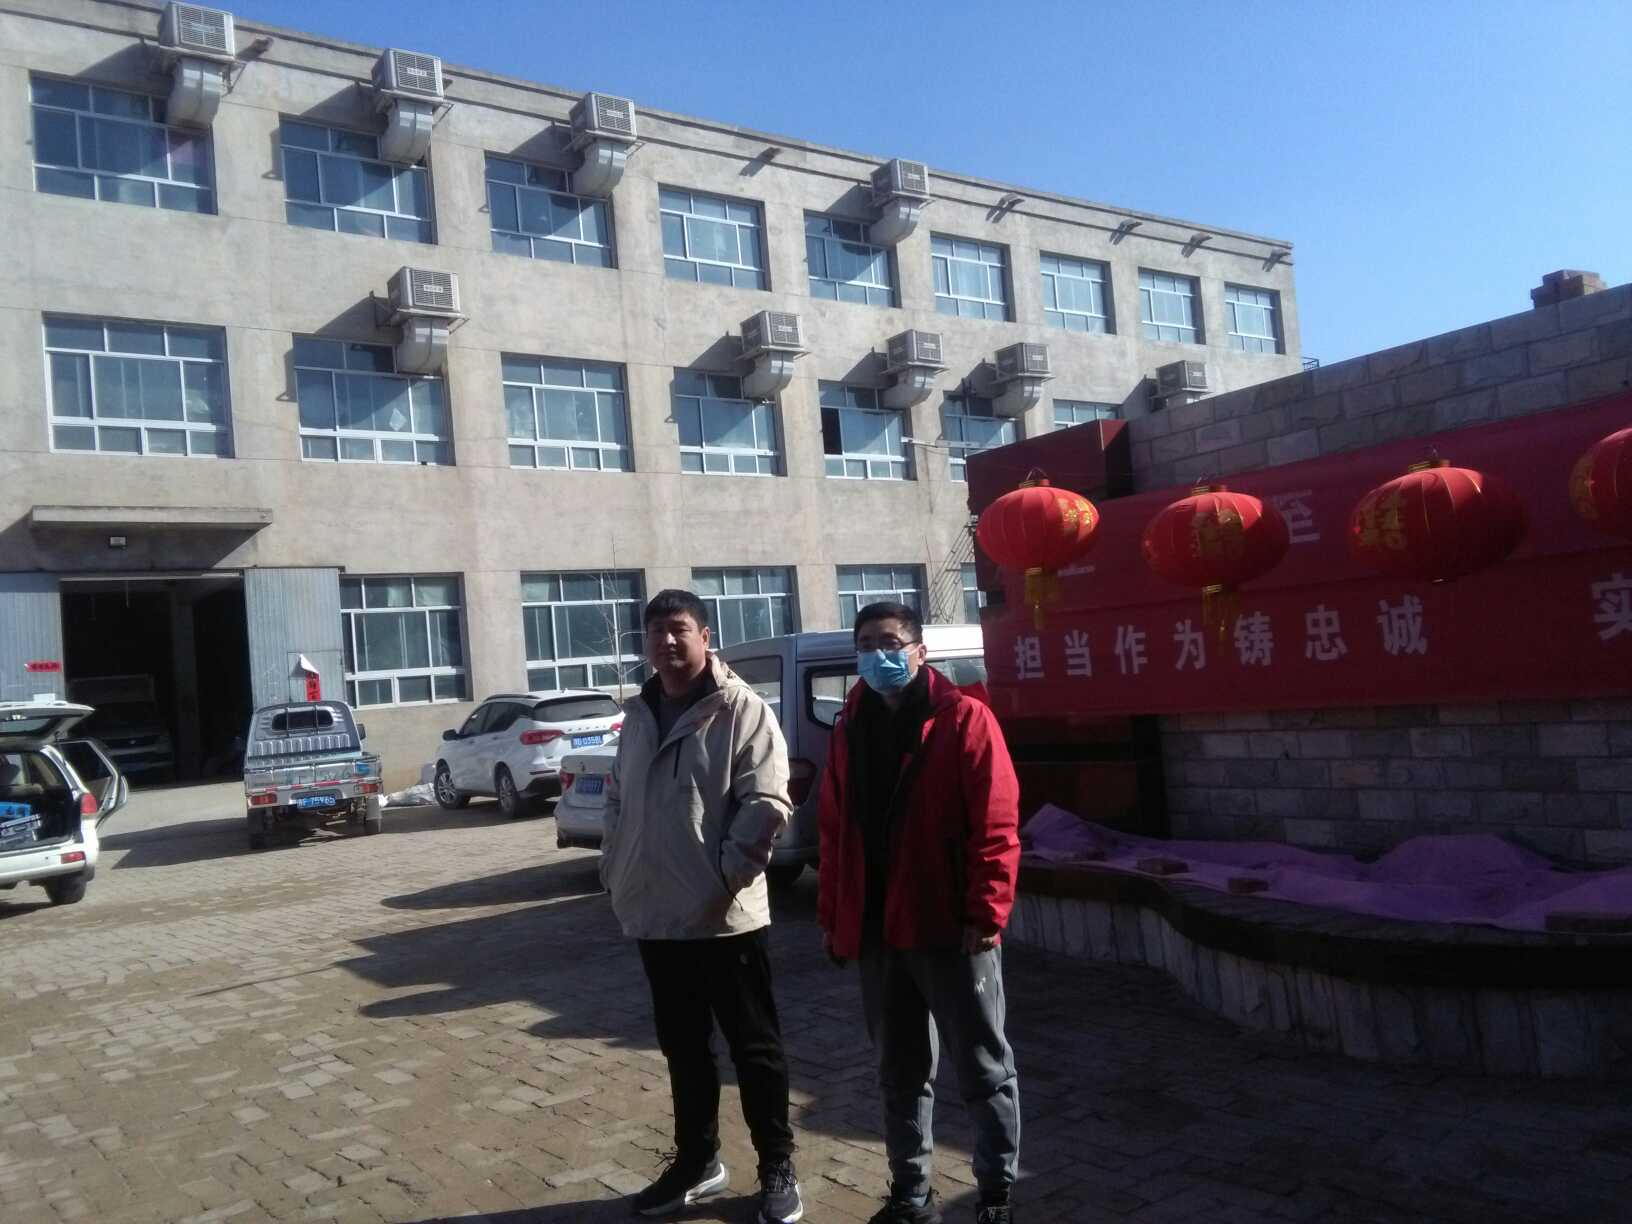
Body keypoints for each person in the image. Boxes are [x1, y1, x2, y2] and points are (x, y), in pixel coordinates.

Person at [600, 589, 803, 1223]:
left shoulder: (740, 708)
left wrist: (723, 880)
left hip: (723, 917)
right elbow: (617, 798)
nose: (666, 641)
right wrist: (615, 867)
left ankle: (777, 1165)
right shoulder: (640, 714)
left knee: (754, 1048)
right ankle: (697, 1161)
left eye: (679, 629)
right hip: (656, 915)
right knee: (683, 1048)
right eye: (655, 630)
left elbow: (766, 802)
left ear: (705, 636)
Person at [817, 601, 1022, 1224]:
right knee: (899, 1071)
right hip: (878, 930)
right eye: (866, 644)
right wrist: (835, 916)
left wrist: (986, 913)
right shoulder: (850, 726)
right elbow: (835, 831)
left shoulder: (963, 719)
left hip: (949, 928)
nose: (878, 654)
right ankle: (912, 1194)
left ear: (919, 651)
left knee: (983, 1067)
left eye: (891, 642)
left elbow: (996, 824)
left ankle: (996, 1194)